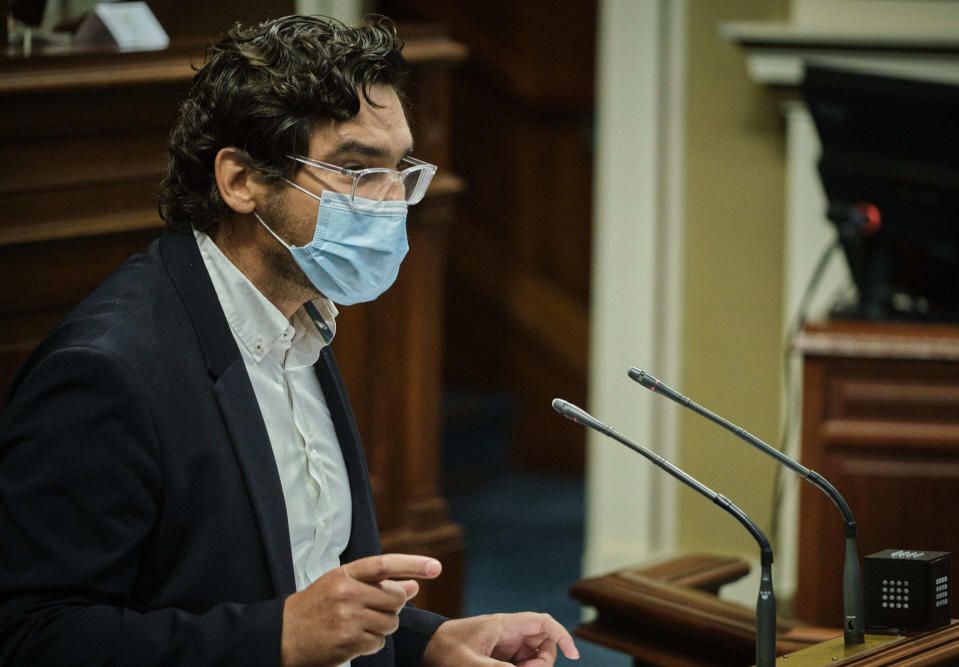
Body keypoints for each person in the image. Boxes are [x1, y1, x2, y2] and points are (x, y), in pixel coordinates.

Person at [0, 15, 580, 667]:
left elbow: (305, 582)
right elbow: (33, 637)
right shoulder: (106, 371)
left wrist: (428, 641)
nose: (391, 202)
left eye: (400, 170)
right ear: (242, 180)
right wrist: (274, 637)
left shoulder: (302, 317)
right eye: (358, 171)